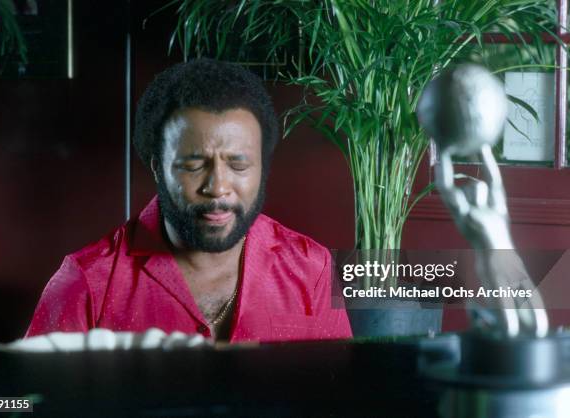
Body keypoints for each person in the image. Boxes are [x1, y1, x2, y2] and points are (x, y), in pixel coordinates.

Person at [26, 58, 352, 342]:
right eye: (194, 165)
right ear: (157, 166)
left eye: (238, 164)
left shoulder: (312, 270)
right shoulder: (87, 283)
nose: (218, 187)